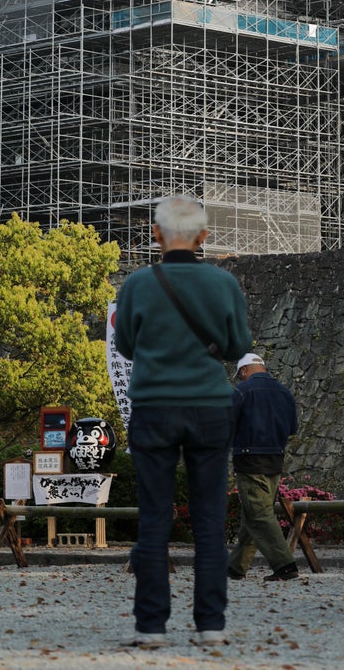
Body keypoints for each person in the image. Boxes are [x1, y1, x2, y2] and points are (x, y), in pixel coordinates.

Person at [115, 196, 252, 649]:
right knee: (209, 520)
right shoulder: (223, 284)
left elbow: (128, 346)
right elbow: (236, 347)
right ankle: (210, 623)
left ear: (156, 234)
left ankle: (150, 626)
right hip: (210, 407)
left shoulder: (136, 285)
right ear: (203, 237)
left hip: (153, 406)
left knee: (154, 519)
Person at [227, 352, 299, 581]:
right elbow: (292, 428)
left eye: (240, 375)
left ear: (245, 370)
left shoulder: (242, 392)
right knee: (255, 513)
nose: (241, 379)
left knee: (258, 514)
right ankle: (236, 567)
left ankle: (284, 565)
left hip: (249, 461)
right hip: (275, 460)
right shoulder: (285, 393)